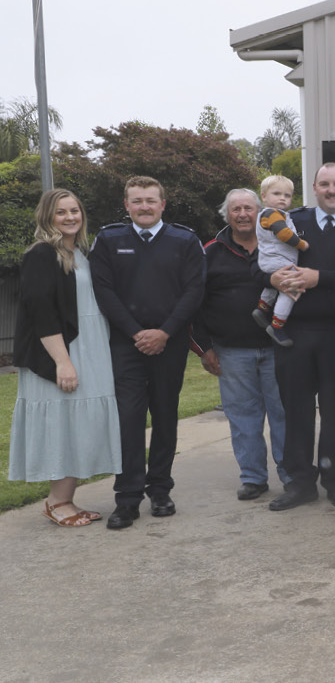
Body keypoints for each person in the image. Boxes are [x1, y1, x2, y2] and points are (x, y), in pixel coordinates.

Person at [92, 175, 205, 530]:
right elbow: (104, 291)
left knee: (166, 416)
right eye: (137, 201)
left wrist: (165, 332)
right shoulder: (109, 239)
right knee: (128, 420)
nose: (144, 206)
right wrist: (137, 332)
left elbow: (194, 291)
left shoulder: (185, 240)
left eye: (150, 200)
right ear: (126, 205)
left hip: (168, 345)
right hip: (125, 345)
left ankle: (160, 491)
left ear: (162, 205)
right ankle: (126, 499)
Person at [8, 189, 121, 526]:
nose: (70, 217)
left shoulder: (79, 252)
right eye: (61, 212)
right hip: (62, 352)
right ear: (47, 217)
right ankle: (57, 502)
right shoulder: (42, 254)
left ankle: (66, 498)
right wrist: (63, 362)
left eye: (75, 210)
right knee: (63, 423)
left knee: (79, 424)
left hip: (91, 347)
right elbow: (40, 312)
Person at [259, 163, 335, 511]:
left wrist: (320, 278)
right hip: (293, 333)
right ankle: (299, 483)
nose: (331, 190)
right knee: (295, 410)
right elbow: (264, 258)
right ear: (314, 189)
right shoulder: (291, 220)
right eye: (324, 184)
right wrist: (270, 281)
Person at [192, 188, 289, 502]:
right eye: (236, 209)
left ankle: (292, 476)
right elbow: (194, 303)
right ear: (227, 215)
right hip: (232, 352)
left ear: (260, 212)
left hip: (279, 349)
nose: (243, 214)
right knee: (243, 419)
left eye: (249, 208)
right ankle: (253, 478)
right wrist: (204, 348)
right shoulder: (210, 252)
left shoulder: (278, 246)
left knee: (284, 415)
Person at [250, 174, 310, 347]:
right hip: (277, 259)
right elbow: (284, 234)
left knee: (275, 284)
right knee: (292, 289)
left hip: (270, 260)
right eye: (277, 194)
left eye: (287, 195)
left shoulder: (274, 214)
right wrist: (302, 244)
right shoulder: (272, 214)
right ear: (264, 196)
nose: (283, 198)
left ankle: (262, 308)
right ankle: (277, 325)